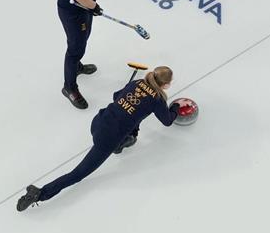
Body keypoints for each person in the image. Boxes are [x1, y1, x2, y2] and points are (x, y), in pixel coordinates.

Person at [17, 67, 181, 211]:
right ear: (165, 85)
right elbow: (167, 121)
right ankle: (40, 194)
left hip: (98, 122)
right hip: (108, 139)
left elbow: (116, 95)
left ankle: (123, 141)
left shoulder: (137, 82)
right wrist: (174, 107)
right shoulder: (157, 100)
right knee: (78, 174)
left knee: (133, 120)